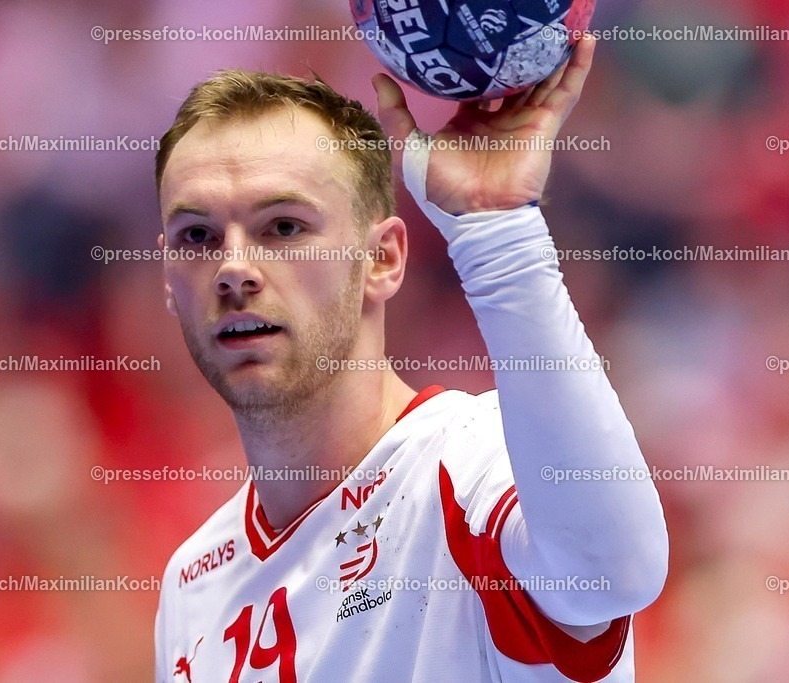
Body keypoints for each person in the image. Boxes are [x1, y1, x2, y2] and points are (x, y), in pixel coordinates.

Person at [153, 37, 668, 682]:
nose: (232, 268)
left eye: (283, 227)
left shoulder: (472, 462)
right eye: (196, 235)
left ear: (383, 259)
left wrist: (498, 233)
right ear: (168, 281)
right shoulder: (190, 581)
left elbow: (615, 573)